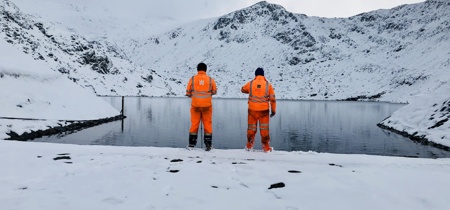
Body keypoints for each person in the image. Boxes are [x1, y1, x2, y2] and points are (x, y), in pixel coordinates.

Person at [241, 67, 276, 152]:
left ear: (255, 75)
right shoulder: (268, 85)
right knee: (264, 130)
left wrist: (250, 91)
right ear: (263, 75)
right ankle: (266, 147)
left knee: (251, 129)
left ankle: (249, 146)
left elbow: (242, 89)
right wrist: (273, 110)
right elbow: (273, 99)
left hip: (252, 110)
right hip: (264, 111)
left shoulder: (251, 83)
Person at [185, 62, 217, 151]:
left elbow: (187, 92)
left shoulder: (192, 79)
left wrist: (193, 95)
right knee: (207, 124)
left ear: (197, 69)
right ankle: (208, 145)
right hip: (207, 106)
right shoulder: (210, 79)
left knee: (194, 123)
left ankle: (191, 144)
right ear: (206, 70)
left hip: (195, 105)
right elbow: (214, 91)